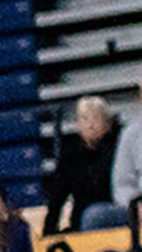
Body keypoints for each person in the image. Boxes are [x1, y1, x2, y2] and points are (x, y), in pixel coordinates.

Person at [44, 93, 125, 233]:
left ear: (108, 122)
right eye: (84, 119)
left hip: (116, 211)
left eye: (96, 118)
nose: (90, 124)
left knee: (94, 216)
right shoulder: (70, 155)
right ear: (77, 124)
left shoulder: (121, 147)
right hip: (82, 219)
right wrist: (49, 231)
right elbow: (57, 197)